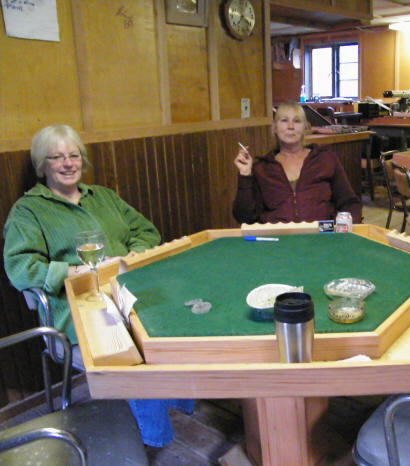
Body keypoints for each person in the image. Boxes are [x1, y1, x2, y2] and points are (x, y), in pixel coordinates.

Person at [3, 124, 193, 447]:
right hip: (78, 313)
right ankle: (152, 438)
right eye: (57, 157)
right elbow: (20, 268)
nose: (68, 163)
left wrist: (134, 254)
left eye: (74, 155)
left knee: (180, 323)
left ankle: (175, 401)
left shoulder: (103, 196)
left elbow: (146, 231)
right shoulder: (28, 211)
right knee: (131, 358)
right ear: (42, 165)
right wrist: (75, 271)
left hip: (129, 295)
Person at [232, 102, 362, 224]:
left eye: (297, 121)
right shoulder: (261, 168)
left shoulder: (325, 159)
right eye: (284, 120)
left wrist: (345, 230)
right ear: (274, 128)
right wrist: (245, 175)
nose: (290, 126)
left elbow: (350, 203)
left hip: (322, 235)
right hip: (278, 238)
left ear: (305, 128)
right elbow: (245, 217)